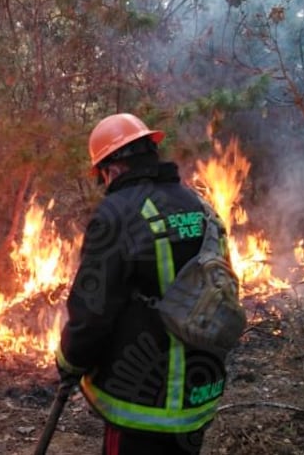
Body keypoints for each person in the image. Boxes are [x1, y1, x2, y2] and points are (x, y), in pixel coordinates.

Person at [56, 113, 232, 454]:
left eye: (103, 176)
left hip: (142, 403)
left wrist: (69, 360)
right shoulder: (200, 207)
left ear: (113, 169)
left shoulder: (117, 213)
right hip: (199, 393)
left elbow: (92, 311)